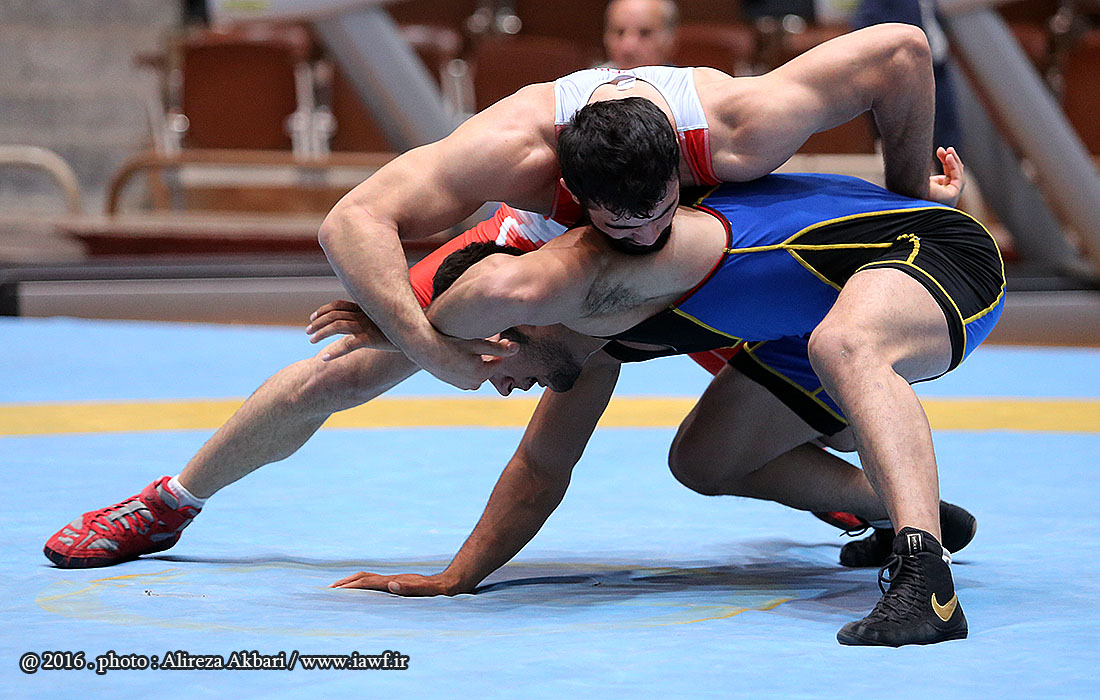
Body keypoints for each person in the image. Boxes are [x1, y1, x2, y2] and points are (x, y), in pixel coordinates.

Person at [44, 25, 949, 572]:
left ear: (682, 173)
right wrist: (426, 342)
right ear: (570, 189)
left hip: (710, 253)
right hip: (555, 253)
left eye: (651, 213)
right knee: (348, 368)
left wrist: (913, 194)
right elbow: (352, 221)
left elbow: (903, 52)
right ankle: (170, 502)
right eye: (616, 222)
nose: (635, 234)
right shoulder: (517, 148)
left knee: (831, 410)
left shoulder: (744, 130)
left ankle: (859, 496)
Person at [314, 152, 1001, 648]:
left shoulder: (611, 271)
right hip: (817, 311)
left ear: (512, 318)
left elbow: (503, 281)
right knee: (705, 460)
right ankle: (907, 509)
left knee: (846, 345)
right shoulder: (591, 344)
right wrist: (456, 578)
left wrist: (403, 324)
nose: (496, 381)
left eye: (488, 357)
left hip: (931, 254)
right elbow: (541, 468)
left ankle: (926, 582)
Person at [602, 0, 679, 69]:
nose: (628, 47)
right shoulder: (595, 79)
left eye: (644, 33)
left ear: (670, 39)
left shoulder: (682, 80)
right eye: (619, 32)